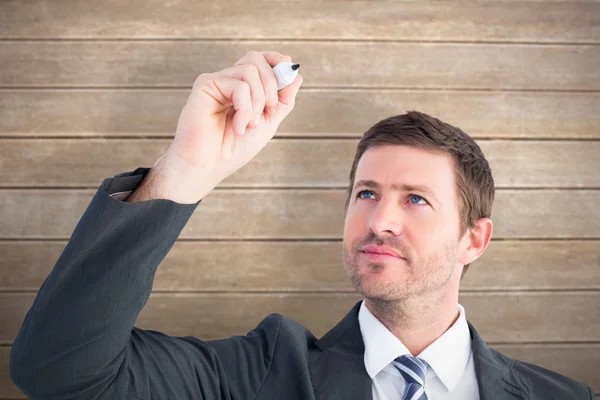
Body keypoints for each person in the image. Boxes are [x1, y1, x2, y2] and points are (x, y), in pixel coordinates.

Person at [9, 51, 593, 400]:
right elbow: (60, 371)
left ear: (475, 239)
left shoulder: (564, 396)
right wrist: (187, 167)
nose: (379, 220)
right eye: (366, 193)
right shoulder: (262, 372)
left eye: (416, 200)